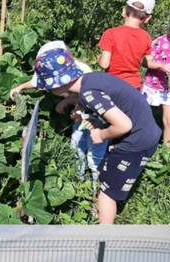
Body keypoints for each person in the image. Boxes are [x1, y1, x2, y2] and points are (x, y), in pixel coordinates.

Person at [32, 45, 161, 223]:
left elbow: (123, 124)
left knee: (107, 193)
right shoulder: (91, 80)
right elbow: (107, 103)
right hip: (146, 132)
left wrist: (101, 135)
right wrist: (83, 111)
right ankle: (102, 206)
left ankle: (102, 238)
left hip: (136, 141)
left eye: (49, 87)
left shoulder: (89, 94)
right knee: (110, 175)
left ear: (58, 84)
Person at [9, 42, 108, 182]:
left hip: (97, 116)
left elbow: (89, 98)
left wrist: (66, 102)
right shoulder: (57, 69)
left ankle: (96, 186)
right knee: (77, 145)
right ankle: (79, 179)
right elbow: (37, 81)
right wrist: (20, 88)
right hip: (80, 114)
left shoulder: (83, 71)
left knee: (95, 152)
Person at [98, 0, 154, 88]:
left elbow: (104, 64)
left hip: (112, 84)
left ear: (124, 11)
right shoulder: (146, 37)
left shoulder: (111, 33)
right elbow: (149, 59)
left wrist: (99, 58)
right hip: (134, 86)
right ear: (148, 18)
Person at [142, 21, 170, 145]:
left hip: (168, 89)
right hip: (152, 85)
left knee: (168, 120)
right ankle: (141, 142)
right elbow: (145, 62)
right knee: (143, 115)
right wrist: (161, 66)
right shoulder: (160, 42)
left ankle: (166, 150)